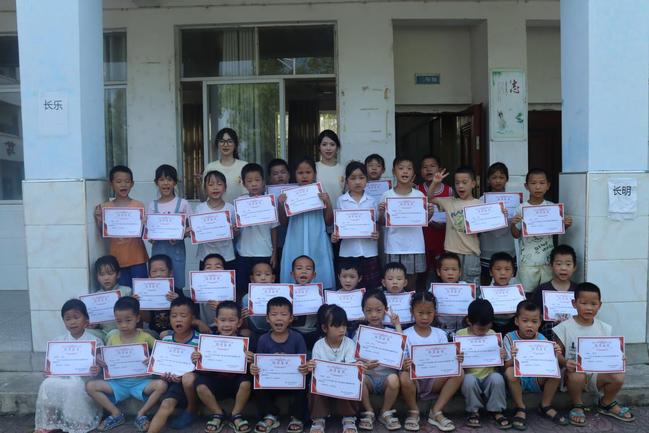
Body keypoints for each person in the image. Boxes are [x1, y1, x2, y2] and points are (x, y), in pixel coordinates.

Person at [553, 282, 635, 426]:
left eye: (593, 304)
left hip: (596, 375)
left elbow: (610, 353)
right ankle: (577, 405)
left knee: (619, 375)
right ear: (574, 303)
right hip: (572, 376)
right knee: (577, 374)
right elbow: (556, 354)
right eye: (583, 303)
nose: (589, 308)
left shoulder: (605, 328)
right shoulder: (564, 328)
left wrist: (619, 359)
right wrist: (565, 362)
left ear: (600, 305)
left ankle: (606, 403)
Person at [86, 297, 167, 432]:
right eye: (119, 321)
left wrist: (153, 358)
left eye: (128, 320)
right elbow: (106, 358)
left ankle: (141, 414)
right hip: (118, 383)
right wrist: (100, 361)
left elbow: (162, 351)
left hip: (141, 383)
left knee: (162, 385)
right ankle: (116, 414)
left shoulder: (145, 337)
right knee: (90, 386)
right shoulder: (112, 337)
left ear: (137, 318)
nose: (123, 325)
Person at [34, 300, 104, 433]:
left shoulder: (95, 341)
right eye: (68, 319)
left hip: (85, 380)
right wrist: (48, 371)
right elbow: (53, 365)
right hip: (64, 377)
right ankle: (49, 422)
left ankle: (80, 422)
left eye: (76, 317)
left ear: (86, 319)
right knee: (47, 383)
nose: (72, 322)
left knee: (74, 385)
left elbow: (100, 365)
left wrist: (97, 368)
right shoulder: (58, 341)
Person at [400, 292, 464, 432]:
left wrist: (456, 359)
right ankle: (413, 411)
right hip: (414, 381)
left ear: (435, 312)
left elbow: (447, 360)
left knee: (459, 372)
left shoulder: (440, 334)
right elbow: (402, 360)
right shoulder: (406, 334)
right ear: (412, 312)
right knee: (403, 376)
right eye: (420, 313)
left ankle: (436, 411)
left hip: (435, 381)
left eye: (429, 313)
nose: (425, 317)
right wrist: (404, 365)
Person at [503, 301, 568, 430]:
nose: (529, 325)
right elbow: (505, 366)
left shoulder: (542, 338)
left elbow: (549, 362)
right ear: (517, 321)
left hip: (537, 379)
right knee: (510, 372)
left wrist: (555, 353)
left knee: (555, 371)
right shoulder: (509, 338)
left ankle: (545, 405)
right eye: (525, 321)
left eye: (534, 321)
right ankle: (520, 407)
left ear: (539, 323)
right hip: (518, 380)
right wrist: (513, 357)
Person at [250, 296, 309, 433]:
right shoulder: (263, 340)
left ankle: (297, 417)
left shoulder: (297, 338)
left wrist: (303, 367)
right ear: (267, 318)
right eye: (274, 314)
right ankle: (270, 415)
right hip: (271, 383)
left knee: (306, 380)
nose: (279, 318)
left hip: (292, 382)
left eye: (283, 314)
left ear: (291, 318)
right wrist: (254, 368)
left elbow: (303, 363)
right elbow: (260, 365)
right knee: (255, 381)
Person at [193, 301, 254, 433]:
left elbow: (252, 370)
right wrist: (197, 360)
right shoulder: (208, 341)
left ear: (239, 323)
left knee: (246, 383)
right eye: (222, 320)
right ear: (216, 321)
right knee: (200, 385)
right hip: (216, 382)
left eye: (231, 320)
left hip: (236, 383)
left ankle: (235, 415)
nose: (226, 325)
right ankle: (218, 414)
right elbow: (202, 371)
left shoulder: (246, 343)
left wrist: (251, 361)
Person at [511, 168, 573, 293]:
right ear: (526, 186)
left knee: (546, 293)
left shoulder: (552, 207)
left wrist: (565, 225)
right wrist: (513, 224)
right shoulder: (521, 208)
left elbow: (557, 231)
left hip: (547, 261)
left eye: (542, 183)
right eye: (533, 183)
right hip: (527, 263)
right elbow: (516, 235)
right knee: (527, 294)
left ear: (548, 186)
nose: (538, 187)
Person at [278, 157, 335, 290]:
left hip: (317, 240)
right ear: (294, 174)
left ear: (314, 174)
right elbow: (284, 223)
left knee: (320, 271)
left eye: (308, 172)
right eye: (300, 173)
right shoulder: (289, 195)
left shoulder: (320, 193)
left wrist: (327, 202)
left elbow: (329, 221)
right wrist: (281, 205)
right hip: (295, 240)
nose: (304, 176)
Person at [148, 298, 201, 433]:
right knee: (166, 405)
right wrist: (163, 375)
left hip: (191, 384)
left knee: (188, 378)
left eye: (183, 316)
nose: (178, 320)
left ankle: (192, 409)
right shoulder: (165, 340)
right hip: (173, 384)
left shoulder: (199, 340)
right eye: (174, 316)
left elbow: (203, 368)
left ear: (192, 318)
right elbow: (161, 368)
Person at [378, 157, 431, 292]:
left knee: (411, 284)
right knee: (393, 284)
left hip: (415, 245)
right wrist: (381, 212)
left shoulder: (419, 195)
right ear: (394, 172)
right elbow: (382, 222)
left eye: (409, 168)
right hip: (394, 245)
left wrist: (429, 213)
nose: (405, 171)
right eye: (401, 168)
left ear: (413, 173)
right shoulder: (387, 195)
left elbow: (424, 221)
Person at [427, 166, 486, 287]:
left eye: (464, 182)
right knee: (451, 288)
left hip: (471, 253)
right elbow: (429, 198)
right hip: (451, 253)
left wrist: (501, 214)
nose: (460, 186)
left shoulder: (480, 204)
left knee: (471, 289)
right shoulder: (449, 201)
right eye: (457, 183)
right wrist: (435, 182)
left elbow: (490, 223)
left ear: (473, 184)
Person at [457, 299, 510, 429]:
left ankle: (496, 410)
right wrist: (458, 358)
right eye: (480, 329)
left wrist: (501, 356)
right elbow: (455, 361)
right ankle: (474, 411)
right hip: (470, 374)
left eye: (487, 328)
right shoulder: (460, 335)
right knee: (468, 381)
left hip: (489, 374)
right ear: (469, 321)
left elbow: (499, 362)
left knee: (497, 379)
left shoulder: (493, 335)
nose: (483, 332)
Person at [308, 305, 359, 433]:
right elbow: (317, 369)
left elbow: (350, 368)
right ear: (325, 328)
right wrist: (311, 366)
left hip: (342, 382)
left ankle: (348, 417)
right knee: (313, 383)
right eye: (336, 326)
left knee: (351, 381)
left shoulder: (349, 343)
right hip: (325, 383)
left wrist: (357, 366)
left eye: (344, 325)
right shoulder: (319, 345)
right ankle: (318, 418)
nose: (342, 329)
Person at [355, 289, 402, 431]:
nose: (374, 315)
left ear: (385, 310)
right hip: (369, 378)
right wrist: (364, 365)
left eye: (378, 310)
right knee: (358, 377)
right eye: (369, 311)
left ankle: (385, 412)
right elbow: (354, 360)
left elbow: (402, 351)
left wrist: (397, 324)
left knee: (394, 379)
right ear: (363, 311)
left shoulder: (392, 332)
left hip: (386, 378)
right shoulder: (360, 333)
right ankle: (369, 411)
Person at [94, 165, 148, 287]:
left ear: (132, 184)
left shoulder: (138, 206)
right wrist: (99, 220)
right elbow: (103, 234)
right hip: (116, 261)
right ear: (111, 184)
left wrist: (145, 224)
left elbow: (144, 233)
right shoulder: (105, 208)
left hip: (138, 258)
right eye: (118, 181)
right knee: (123, 294)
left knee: (141, 292)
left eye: (127, 181)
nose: (123, 185)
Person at [331, 161, 381, 290]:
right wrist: (335, 236)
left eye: (361, 177)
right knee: (350, 288)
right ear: (347, 181)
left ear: (366, 180)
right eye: (353, 178)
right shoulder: (341, 201)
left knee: (371, 288)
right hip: (348, 252)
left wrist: (377, 233)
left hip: (369, 251)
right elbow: (338, 226)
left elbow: (376, 223)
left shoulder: (372, 201)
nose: (357, 182)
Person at [235, 163, 278, 298]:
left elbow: (274, 228)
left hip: (264, 251)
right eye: (249, 181)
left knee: (265, 289)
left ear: (263, 182)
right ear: (244, 183)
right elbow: (236, 229)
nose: (254, 184)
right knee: (244, 289)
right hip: (244, 252)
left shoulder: (269, 201)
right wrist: (236, 228)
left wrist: (274, 252)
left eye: (257, 180)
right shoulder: (240, 201)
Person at [147, 164, 191, 289]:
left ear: (175, 182)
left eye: (169, 179)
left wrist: (181, 235)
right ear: (156, 183)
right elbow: (149, 231)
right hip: (158, 249)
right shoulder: (152, 205)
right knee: (159, 285)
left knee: (177, 285)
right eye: (161, 180)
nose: (165, 183)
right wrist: (151, 238)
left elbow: (191, 229)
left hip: (176, 250)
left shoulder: (183, 203)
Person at [417, 155, 453, 284]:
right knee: (422, 273)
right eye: (425, 167)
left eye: (432, 166)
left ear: (440, 169)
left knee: (441, 272)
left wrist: (445, 223)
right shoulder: (417, 190)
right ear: (420, 171)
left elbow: (453, 213)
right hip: (424, 238)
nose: (428, 169)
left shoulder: (449, 190)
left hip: (442, 238)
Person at [479, 163, 516, 286]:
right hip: (487, 249)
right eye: (494, 177)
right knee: (486, 281)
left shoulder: (515, 200)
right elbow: (478, 226)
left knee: (507, 283)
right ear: (488, 180)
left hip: (508, 248)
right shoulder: (481, 200)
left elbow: (518, 224)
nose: (498, 181)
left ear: (507, 179)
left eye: (501, 177)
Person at [531, 244, 578, 339]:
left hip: (573, 334)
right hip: (547, 336)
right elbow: (534, 316)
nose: (563, 268)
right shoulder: (542, 289)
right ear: (551, 265)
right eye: (559, 264)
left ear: (574, 267)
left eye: (568, 264)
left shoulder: (578, 290)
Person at [194, 170, 237, 269]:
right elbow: (196, 232)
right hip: (205, 256)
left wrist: (235, 231)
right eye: (211, 184)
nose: (215, 187)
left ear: (225, 188)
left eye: (219, 184)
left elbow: (236, 233)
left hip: (227, 256)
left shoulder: (230, 208)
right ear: (205, 189)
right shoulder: (200, 209)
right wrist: (191, 232)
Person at [88, 255, 132, 340]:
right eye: (102, 275)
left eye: (110, 274)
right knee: (86, 332)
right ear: (97, 277)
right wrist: (93, 324)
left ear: (118, 274)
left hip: (123, 332)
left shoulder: (127, 291)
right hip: (104, 333)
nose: (106, 278)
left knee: (113, 334)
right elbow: (96, 323)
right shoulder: (94, 297)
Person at [202, 127, 248, 203]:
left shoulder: (244, 166)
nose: (225, 145)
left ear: (235, 144)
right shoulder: (210, 167)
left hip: (239, 210)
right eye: (222, 141)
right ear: (217, 144)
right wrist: (198, 183)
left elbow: (250, 194)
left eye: (229, 141)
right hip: (216, 210)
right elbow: (203, 198)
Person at [287, 255, 320, 348]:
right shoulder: (286, 293)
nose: (303, 271)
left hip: (313, 332)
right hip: (292, 332)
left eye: (308, 269)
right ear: (292, 274)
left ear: (314, 275)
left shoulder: (319, 294)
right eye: (299, 268)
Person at [432, 252, 466, 336]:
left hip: (463, 330)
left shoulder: (466, 287)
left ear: (460, 272)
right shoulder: (434, 289)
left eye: (454, 269)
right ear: (438, 272)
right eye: (446, 269)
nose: (450, 273)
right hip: (442, 330)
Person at [267, 158, 291, 272]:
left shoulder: (298, 192)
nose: (280, 176)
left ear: (289, 175)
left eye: (283, 172)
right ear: (269, 178)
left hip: (292, 239)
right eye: (275, 174)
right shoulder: (265, 195)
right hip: (275, 242)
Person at [487, 252, 518, 334]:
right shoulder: (485, 293)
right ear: (491, 272)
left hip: (512, 326)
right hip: (491, 326)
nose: (503, 273)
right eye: (498, 269)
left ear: (513, 273)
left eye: (507, 269)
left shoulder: (517, 292)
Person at [242, 261, 276, 337]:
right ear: (252, 279)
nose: (263, 278)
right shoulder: (246, 298)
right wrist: (243, 317)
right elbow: (245, 325)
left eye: (267, 274)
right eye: (258, 275)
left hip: (279, 329)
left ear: (273, 278)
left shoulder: (281, 294)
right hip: (255, 331)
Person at [315, 130, 345, 211]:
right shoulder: (313, 168)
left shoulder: (343, 169)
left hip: (339, 214)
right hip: (319, 215)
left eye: (332, 144)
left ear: (337, 147)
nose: (328, 148)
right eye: (324, 144)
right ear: (319, 147)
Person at [336, 262, 364, 337]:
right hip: (340, 330)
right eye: (344, 276)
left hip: (358, 329)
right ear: (339, 277)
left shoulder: (363, 295)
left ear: (359, 278)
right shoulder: (334, 296)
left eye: (352, 277)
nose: (348, 280)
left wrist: (365, 317)